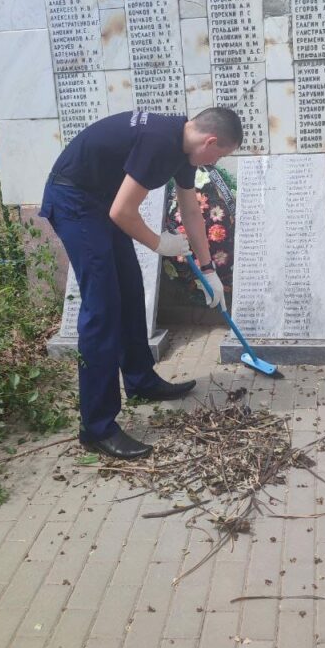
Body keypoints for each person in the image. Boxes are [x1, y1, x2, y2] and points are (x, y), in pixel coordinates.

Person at [39, 107, 243, 459]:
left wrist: (209, 271)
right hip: (73, 200)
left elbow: (191, 209)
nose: (216, 161)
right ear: (210, 141)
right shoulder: (159, 142)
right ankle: (97, 427)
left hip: (99, 200)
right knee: (102, 309)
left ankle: (140, 380)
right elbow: (122, 213)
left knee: (131, 290)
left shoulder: (183, 146)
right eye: (220, 154)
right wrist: (158, 243)